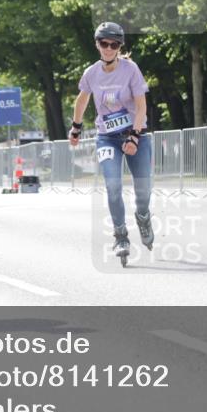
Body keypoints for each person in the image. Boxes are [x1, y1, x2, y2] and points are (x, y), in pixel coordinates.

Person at [68, 22, 153, 262]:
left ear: (119, 47)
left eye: (113, 45)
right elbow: (82, 100)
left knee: (143, 191)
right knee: (113, 186)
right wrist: (76, 128)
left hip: (135, 133)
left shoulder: (130, 69)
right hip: (107, 138)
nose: (108, 48)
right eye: (104, 43)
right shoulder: (91, 73)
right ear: (97, 44)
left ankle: (143, 217)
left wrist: (134, 136)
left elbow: (141, 106)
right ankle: (121, 236)